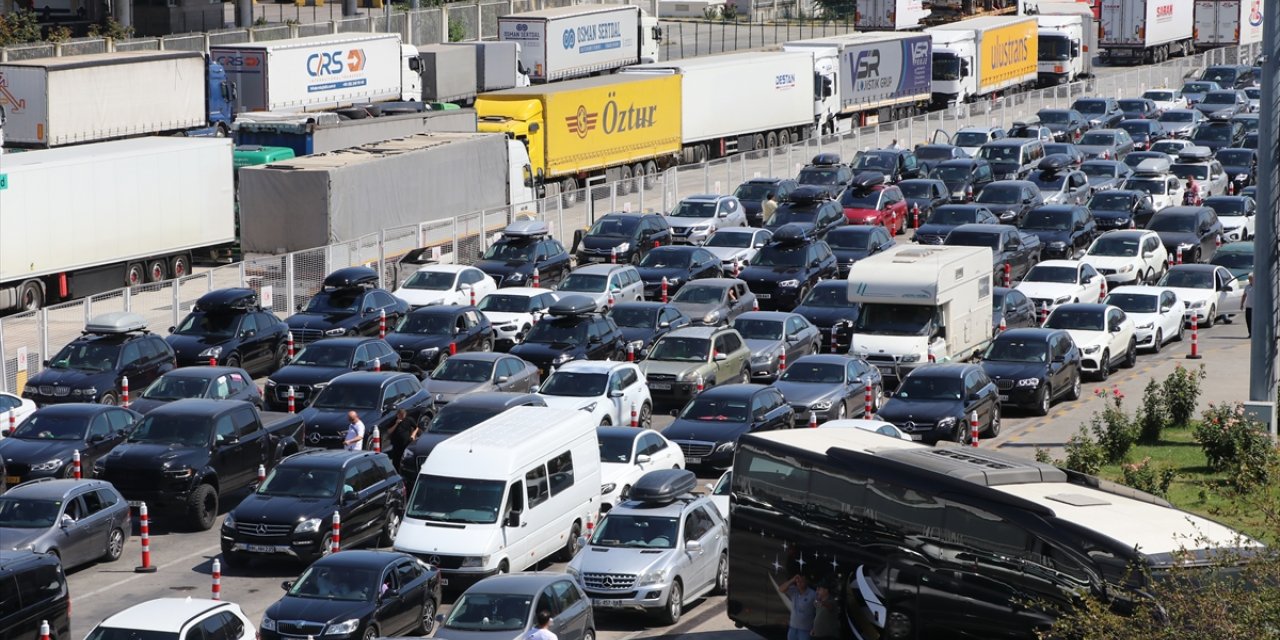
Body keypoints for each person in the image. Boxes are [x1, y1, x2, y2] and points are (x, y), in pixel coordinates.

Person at [779, 574, 817, 640]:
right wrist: (792, 580)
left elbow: (818, 610)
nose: (799, 583)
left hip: (806, 630)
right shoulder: (794, 590)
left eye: (801, 581)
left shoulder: (813, 594)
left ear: (806, 582)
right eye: (797, 581)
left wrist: (815, 627)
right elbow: (781, 589)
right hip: (793, 628)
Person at [1242, 273, 1254, 337]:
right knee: (1248, 321)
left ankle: (1254, 333)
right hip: (1248, 306)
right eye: (1249, 279)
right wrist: (1242, 304)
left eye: (1251, 279)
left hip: (1255, 307)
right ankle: (1250, 333)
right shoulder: (1247, 287)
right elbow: (1244, 295)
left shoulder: (1258, 286)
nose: (1250, 280)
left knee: (1254, 322)